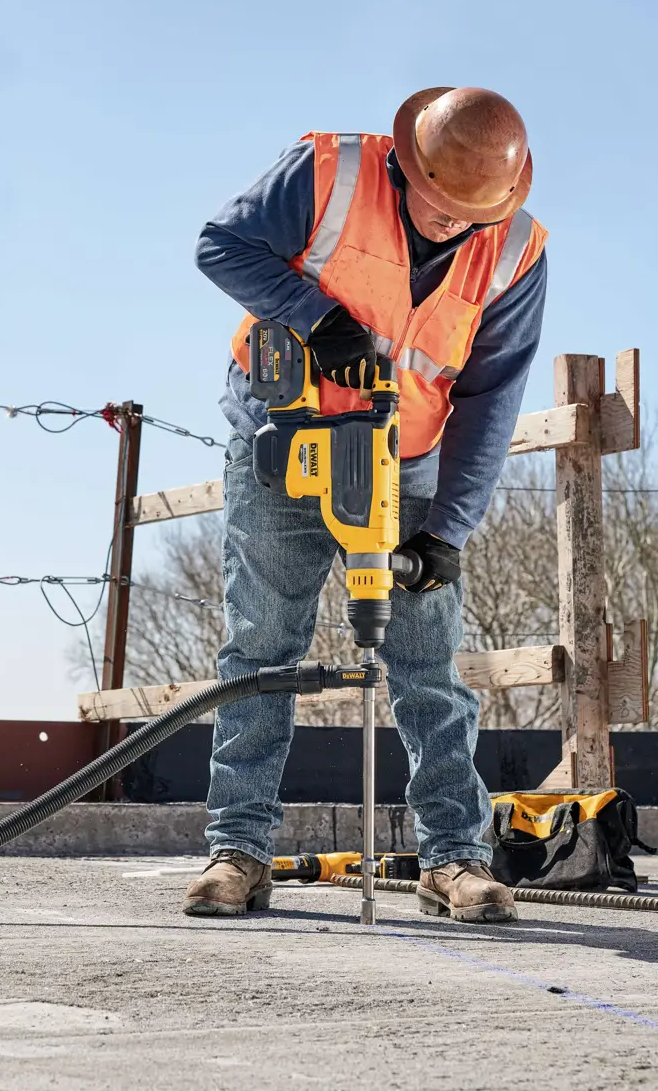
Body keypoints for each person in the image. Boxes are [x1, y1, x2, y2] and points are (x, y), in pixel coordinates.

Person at [183, 87, 548, 923]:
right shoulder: (329, 173)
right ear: (407, 164)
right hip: (285, 440)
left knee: (428, 664)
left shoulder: (517, 248)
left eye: (475, 210)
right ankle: (238, 850)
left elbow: (492, 396)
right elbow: (221, 246)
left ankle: (455, 858)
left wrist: (448, 531)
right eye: (443, 202)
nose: (457, 221)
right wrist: (317, 320)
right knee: (262, 650)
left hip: (404, 466)